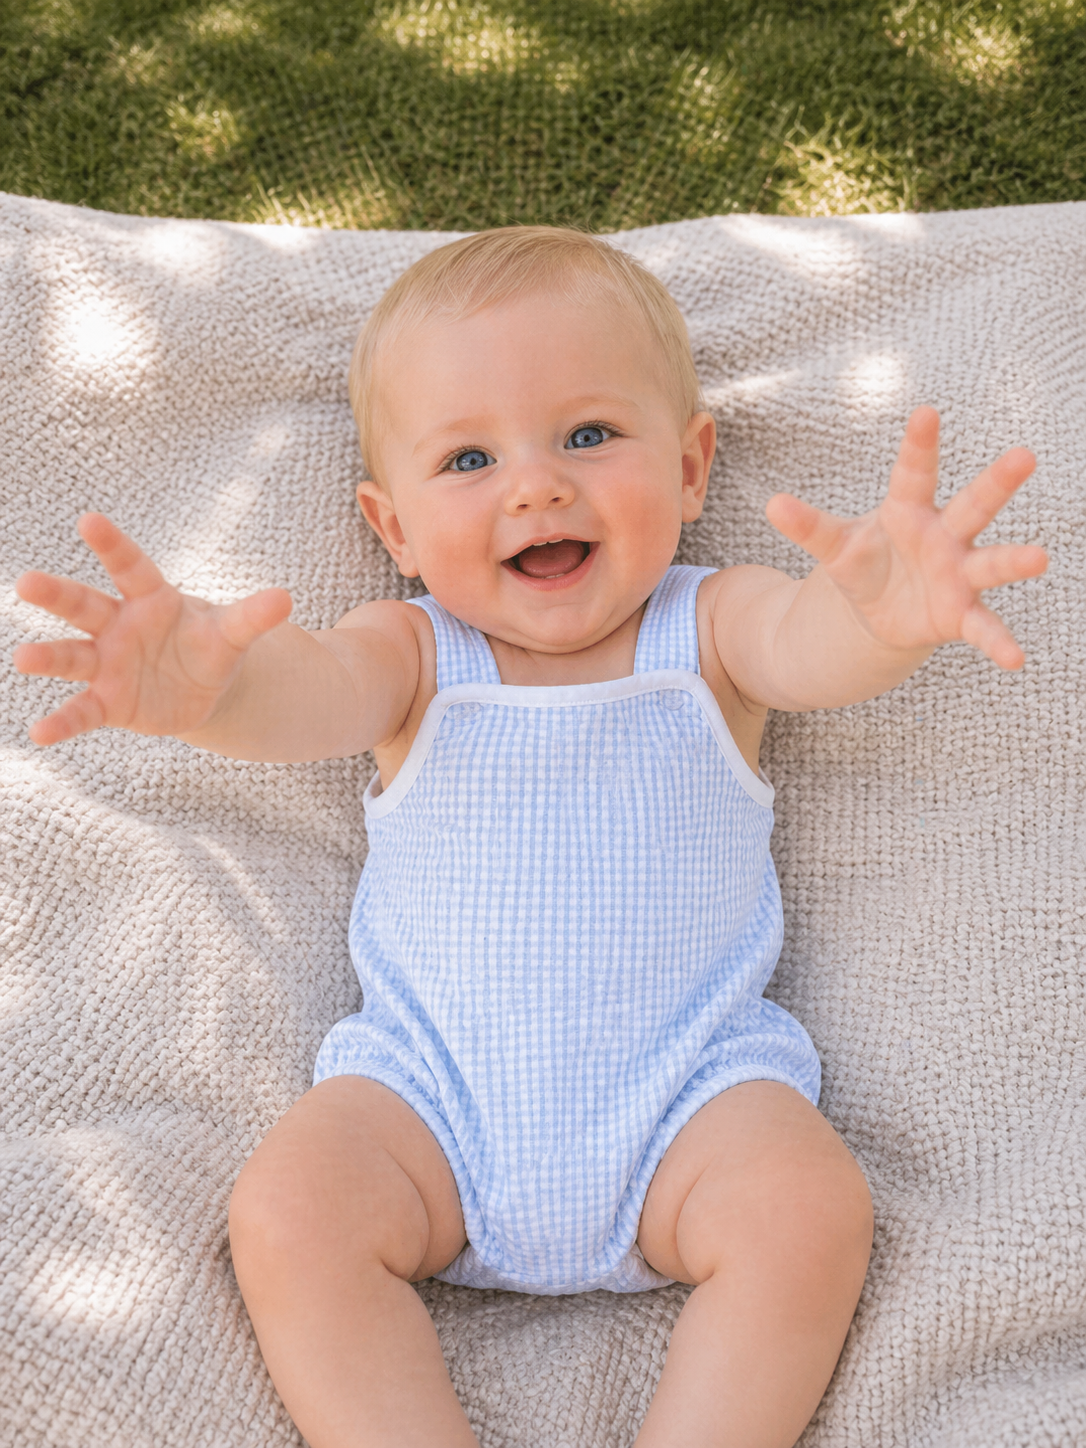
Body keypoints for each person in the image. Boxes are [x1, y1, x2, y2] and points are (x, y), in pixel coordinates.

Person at [13, 227, 1047, 1448]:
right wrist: (206, 692)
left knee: (811, 1207)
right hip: (429, 1106)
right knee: (290, 1210)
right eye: (467, 458)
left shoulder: (711, 628)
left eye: (591, 436)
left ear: (693, 466)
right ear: (392, 528)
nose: (536, 485)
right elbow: (306, 694)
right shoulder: (412, 652)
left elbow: (811, 646)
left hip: (691, 1103)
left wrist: (879, 616)